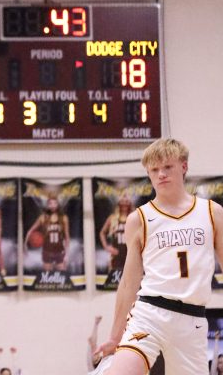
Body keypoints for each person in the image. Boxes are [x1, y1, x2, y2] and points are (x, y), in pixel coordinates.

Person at [96, 138, 223, 375]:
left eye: (167, 167)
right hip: (149, 313)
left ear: (183, 166)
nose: (161, 174)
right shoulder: (139, 219)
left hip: (192, 319)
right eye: (154, 170)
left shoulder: (211, 212)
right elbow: (128, 282)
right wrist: (115, 336)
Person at [24, 195, 70, 271]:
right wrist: (25, 244)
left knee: (63, 277)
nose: (52, 205)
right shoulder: (43, 218)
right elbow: (30, 231)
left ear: (58, 204)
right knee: (47, 278)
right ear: (47, 205)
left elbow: (67, 237)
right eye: (50, 203)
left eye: (55, 203)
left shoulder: (63, 218)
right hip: (47, 251)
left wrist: (67, 254)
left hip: (60, 251)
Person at [99, 194, 133, 271]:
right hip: (116, 255)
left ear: (130, 203)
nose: (124, 204)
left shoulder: (134, 217)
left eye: (126, 202)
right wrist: (106, 247)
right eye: (122, 202)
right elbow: (102, 233)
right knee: (115, 282)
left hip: (131, 255)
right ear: (118, 204)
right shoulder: (112, 218)